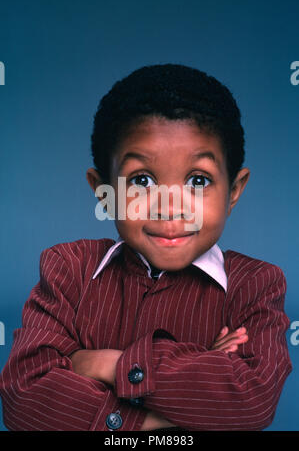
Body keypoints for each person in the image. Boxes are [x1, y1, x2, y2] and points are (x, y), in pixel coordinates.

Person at [0, 64, 292, 431]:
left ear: (234, 190)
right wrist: (161, 409)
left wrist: (109, 364)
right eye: (142, 180)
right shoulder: (69, 269)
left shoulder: (256, 285)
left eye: (198, 180)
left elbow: (250, 402)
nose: (170, 206)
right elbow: (24, 399)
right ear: (103, 191)